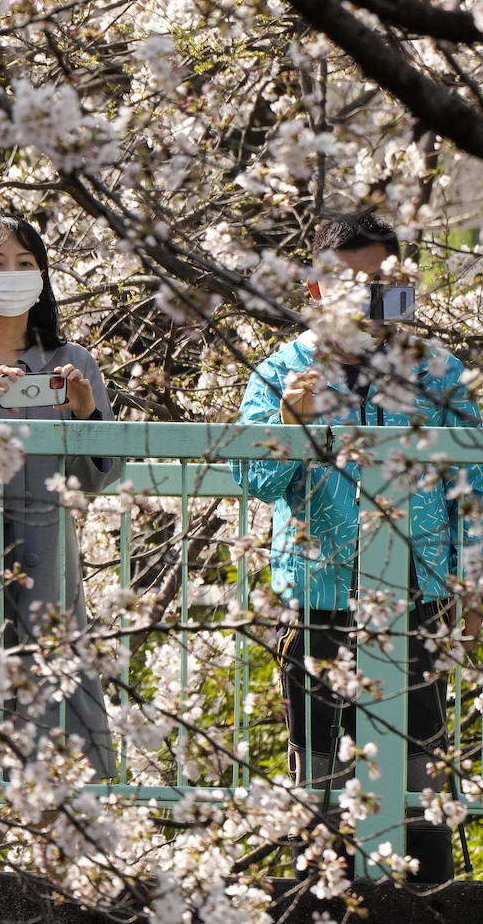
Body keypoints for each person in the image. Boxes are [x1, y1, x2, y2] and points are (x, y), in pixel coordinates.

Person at [234, 210, 483, 882]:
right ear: (315, 290)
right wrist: (291, 421)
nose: (367, 301)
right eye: (345, 285)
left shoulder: (436, 370)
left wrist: (473, 583)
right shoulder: (281, 370)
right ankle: (321, 895)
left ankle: (427, 895)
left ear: (402, 289)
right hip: (318, 593)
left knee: (416, 769)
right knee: (318, 770)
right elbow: (256, 481)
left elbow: (474, 484)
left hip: (417, 591)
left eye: (382, 286)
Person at [0, 215, 119, 871]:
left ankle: (55, 901)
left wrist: (87, 414)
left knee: (56, 762)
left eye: (23, 261)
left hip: (46, 581)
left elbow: (103, 475)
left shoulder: (70, 362)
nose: (10, 275)